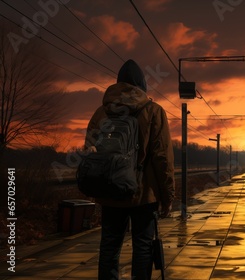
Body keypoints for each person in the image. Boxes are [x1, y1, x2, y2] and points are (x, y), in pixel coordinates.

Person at [84, 59, 175, 279]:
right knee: (143, 247)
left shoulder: (101, 112)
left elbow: (90, 151)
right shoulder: (154, 111)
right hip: (143, 195)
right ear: (142, 84)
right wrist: (167, 197)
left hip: (111, 192)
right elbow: (162, 158)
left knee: (109, 247)